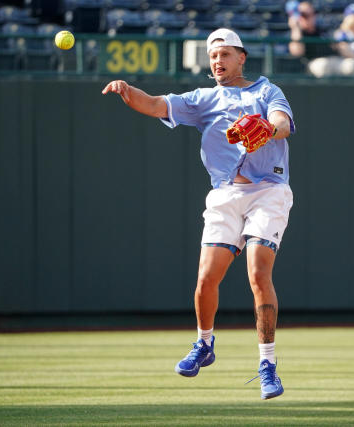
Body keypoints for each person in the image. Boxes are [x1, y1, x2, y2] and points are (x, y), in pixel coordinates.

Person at [102, 28, 295, 400]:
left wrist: (268, 129)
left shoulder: (267, 91)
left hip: (268, 190)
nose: (218, 61)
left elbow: (283, 125)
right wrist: (127, 90)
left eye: (224, 54)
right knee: (206, 279)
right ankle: (204, 344)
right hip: (225, 194)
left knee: (258, 270)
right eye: (213, 57)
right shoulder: (204, 99)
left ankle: (267, 365)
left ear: (242, 57)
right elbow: (157, 104)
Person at [288, 1, 337, 77]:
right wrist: (295, 27)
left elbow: (336, 46)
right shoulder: (296, 34)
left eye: (312, 13)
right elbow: (297, 52)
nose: (310, 17)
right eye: (304, 15)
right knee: (324, 66)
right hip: (311, 65)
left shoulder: (321, 31)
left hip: (332, 60)